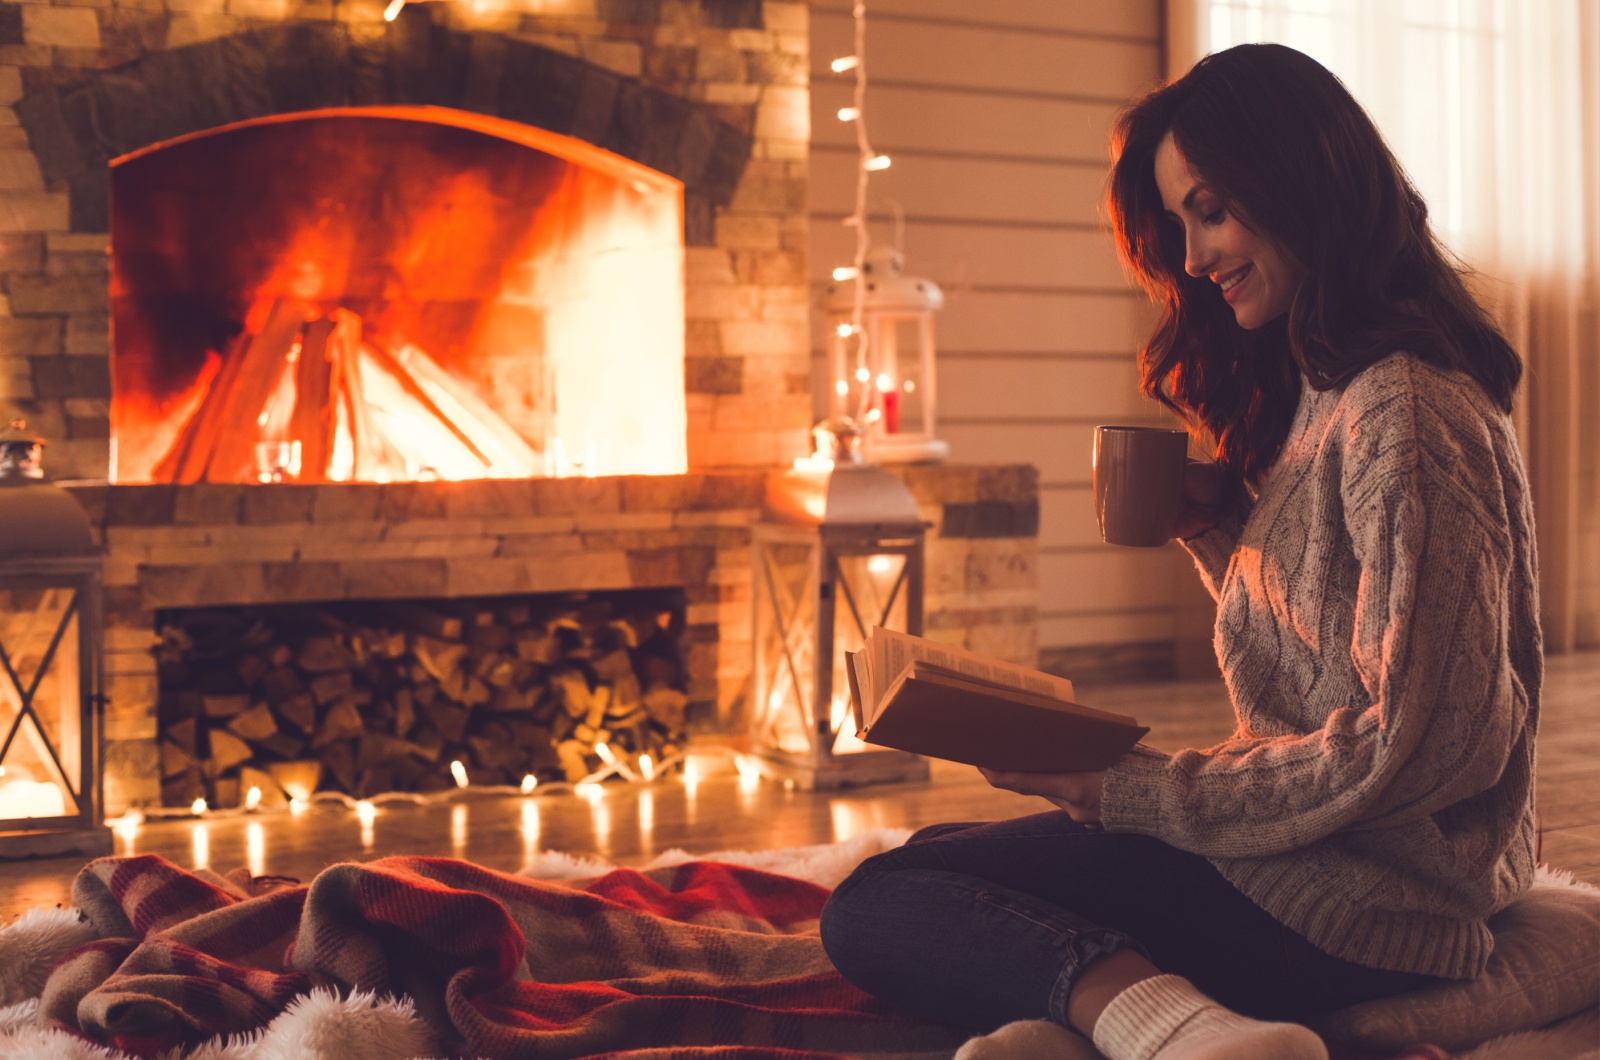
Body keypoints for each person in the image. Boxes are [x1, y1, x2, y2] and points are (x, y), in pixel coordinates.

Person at [819, 43, 1541, 1060]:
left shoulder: (1403, 407)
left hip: (1364, 904)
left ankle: (1182, 1034)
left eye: (1210, 209)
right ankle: (1118, 1019)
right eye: (1178, 223)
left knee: (882, 900)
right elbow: (1331, 648)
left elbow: (1418, 743)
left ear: (1298, 179)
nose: (1193, 258)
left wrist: (1134, 791)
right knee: (937, 859)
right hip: (1320, 862)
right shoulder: (1335, 383)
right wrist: (1213, 527)